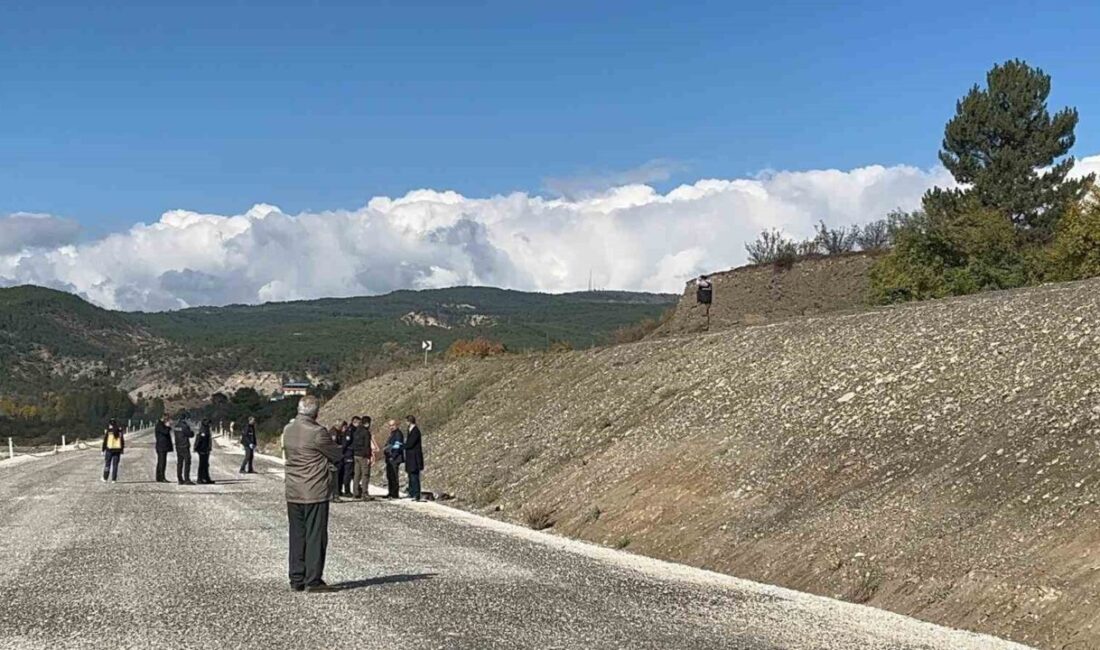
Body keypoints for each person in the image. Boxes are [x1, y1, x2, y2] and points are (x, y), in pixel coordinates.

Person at [283, 395, 343, 593]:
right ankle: (313, 579)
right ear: (316, 412)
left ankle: (296, 577)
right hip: (314, 489)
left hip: (293, 489)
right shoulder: (318, 432)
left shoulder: (288, 429)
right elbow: (336, 454)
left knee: (296, 535)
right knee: (315, 535)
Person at [351, 415, 379, 500]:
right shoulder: (366, 432)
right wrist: (368, 456)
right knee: (365, 474)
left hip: (356, 455)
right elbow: (367, 445)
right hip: (363, 456)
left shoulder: (356, 431)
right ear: (367, 423)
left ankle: (355, 492)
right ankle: (364, 493)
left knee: (357, 475)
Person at [404, 415, 425, 501]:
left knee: (414, 476)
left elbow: (410, 444)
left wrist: (402, 446)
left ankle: (416, 494)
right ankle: (412, 492)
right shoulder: (410, 430)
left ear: (409, 422)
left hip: (414, 458)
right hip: (410, 457)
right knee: (410, 475)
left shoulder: (415, 431)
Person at [383, 420, 404, 499]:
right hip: (390, 458)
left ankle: (395, 493)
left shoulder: (398, 434)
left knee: (394, 476)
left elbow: (397, 446)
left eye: (393, 425)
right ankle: (391, 492)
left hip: (395, 458)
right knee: (390, 475)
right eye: (390, 425)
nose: (391, 427)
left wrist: (393, 456)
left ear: (396, 425)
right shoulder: (392, 434)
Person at [173, 413, 195, 485]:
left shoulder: (176, 426)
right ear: (185, 418)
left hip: (178, 446)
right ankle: (187, 479)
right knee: (187, 462)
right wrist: (192, 432)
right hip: (185, 446)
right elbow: (190, 434)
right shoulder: (185, 426)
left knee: (180, 463)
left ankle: (180, 479)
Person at [101, 418, 125, 483]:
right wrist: (122, 449)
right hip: (117, 450)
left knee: (107, 464)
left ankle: (105, 478)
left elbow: (105, 441)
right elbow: (122, 441)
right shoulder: (119, 431)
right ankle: (114, 479)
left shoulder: (109, 431)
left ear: (110, 424)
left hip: (109, 449)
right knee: (115, 465)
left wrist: (103, 450)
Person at [328, 422, 346, 503]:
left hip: (334, 458)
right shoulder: (333, 433)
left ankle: (334, 495)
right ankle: (334, 495)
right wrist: (339, 447)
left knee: (334, 477)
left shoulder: (335, 432)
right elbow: (334, 444)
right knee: (334, 477)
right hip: (334, 458)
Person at [153, 414, 173, 483]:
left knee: (160, 462)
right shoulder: (160, 425)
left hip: (162, 446)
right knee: (162, 462)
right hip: (162, 446)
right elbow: (165, 432)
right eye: (167, 419)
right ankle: (162, 477)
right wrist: (168, 426)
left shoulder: (160, 424)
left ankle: (159, 477)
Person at [195, 418, 215, 484]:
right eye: (209, 423)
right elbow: (201, 441)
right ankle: (200, 479)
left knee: (206, 464)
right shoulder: (204, 430)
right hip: (203, 450)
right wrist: (201, 449)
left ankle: (206, 478)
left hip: (205, 449)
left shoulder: (205, 429)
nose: (210, 425)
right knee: (202, 465)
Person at [340, 418, 357, 496]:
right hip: (348, 455)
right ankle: (347, 491)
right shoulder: (349, 432)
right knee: (348, 473)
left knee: (348, 473)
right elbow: (346, 443)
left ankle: (345, 490)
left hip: (347, 454)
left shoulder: (350, 431)